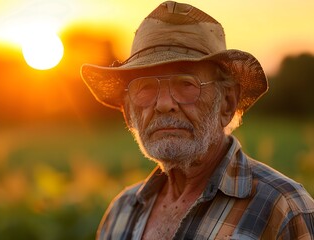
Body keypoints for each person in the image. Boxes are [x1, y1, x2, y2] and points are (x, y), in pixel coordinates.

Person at [80, 1, 314, 239]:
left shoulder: (282, 209)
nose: (163, 104)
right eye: (146, 87)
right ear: (129, 112)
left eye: (185, 84)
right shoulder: (121, 212)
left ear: (227, 103)